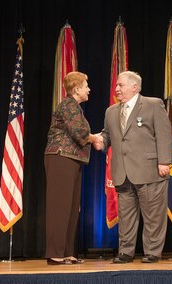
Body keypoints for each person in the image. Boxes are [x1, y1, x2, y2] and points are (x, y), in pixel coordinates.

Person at [94, 71, 172, 263]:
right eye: (117, 85)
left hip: (150, 169)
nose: (116, 89)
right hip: (122, 172)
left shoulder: (153, 105)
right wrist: (100, 141)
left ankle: (153, 252)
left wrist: (164, 161)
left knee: (153, 215)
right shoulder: (111, 111)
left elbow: (163, 134)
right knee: (126, 216)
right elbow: (107, 136)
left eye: (121, 85)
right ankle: (126, 252)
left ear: (134, 87)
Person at [44, 71, 100, 265]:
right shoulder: (68, 104)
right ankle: (54, 252)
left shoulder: (75, 107)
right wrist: (96, 138)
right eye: (86, 86)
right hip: (60, 156)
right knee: (59, 206)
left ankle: (67, 252)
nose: (89, 89)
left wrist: (92, 138)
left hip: (71, 158)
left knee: (70, 207)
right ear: (76, 89)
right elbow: (80, 132)